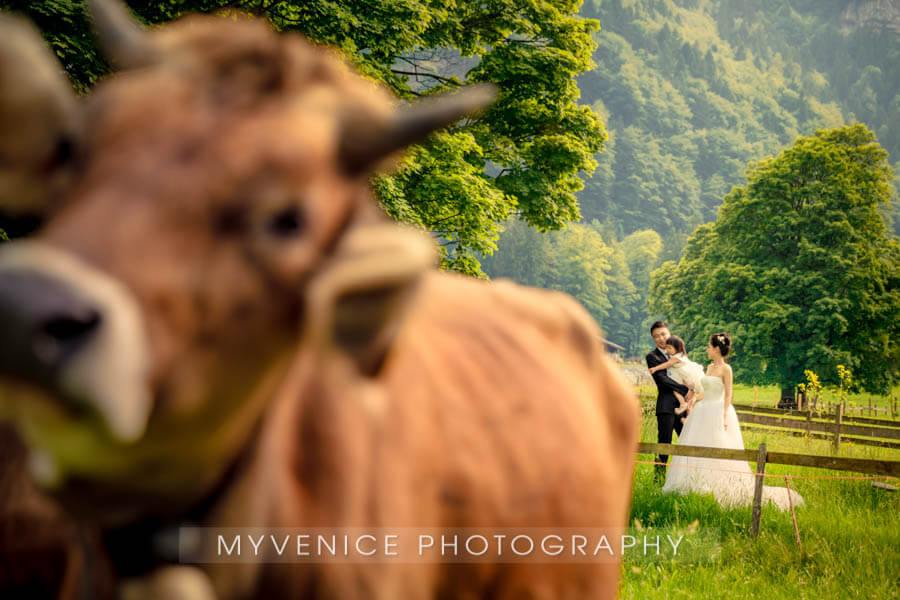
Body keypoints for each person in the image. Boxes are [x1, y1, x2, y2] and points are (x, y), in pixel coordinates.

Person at [662, 333, 804, 510]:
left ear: (716, 349)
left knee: (717, 447)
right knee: (697, 446)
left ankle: (717, 485)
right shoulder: (709, 367)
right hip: (703, 410)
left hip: (717, 410)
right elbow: (706, 390)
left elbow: (728, 394)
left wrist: (723, 415)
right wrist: (694, 399)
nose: (707, 349)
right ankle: (693, 484)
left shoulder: (726, 369)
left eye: (708, 346)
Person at [646, 321, 690, 480]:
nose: (661, 338)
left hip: (683, 406)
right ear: (653, 339)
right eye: (656, 336)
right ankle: (658, 479)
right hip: (665, 406)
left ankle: (686, 478)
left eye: (663, 334)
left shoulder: (678, 354)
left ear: (669, 333)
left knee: (686, 439)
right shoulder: (652, 356)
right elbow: (662, 380)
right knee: (664, 442)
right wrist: (684, 388)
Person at [648, 335, 704, 419]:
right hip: (687, 376)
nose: (667, 350)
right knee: (690, 399)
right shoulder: (681, 355)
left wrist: (655, 368)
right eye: (666, 348)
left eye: (670, 348)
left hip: (685, 376)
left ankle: (682, 404)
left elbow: (666, 365)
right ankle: (688, 415)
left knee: (675, 389)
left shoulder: (675, 358)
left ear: (677, 348)